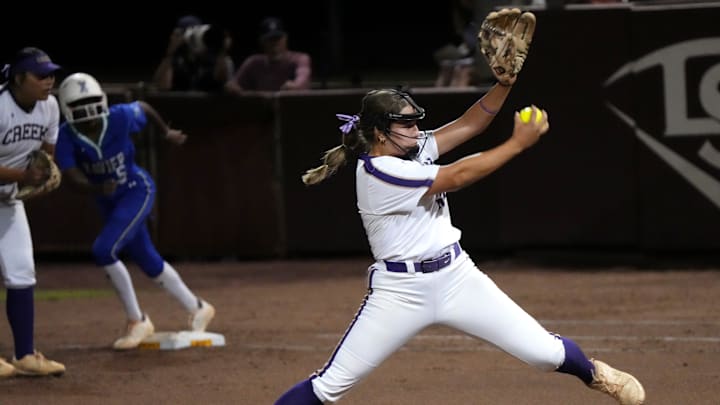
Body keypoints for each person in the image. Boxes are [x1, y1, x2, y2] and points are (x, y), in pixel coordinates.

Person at [274, 67, 645, 405]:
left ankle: (597, 375)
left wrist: (503, 85)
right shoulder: (378, 172)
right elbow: (457, 176)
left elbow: (470, 124)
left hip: (457, 278)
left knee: (544, 354)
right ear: (378, 133)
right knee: (330, 385)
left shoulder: (409, 150)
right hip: (399, 293)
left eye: (415, 123)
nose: (416, 131)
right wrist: (517, 144)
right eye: (406, 125)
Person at [55, 72, 216, 350]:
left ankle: (136, 319)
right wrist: (97, 189)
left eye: (92, 102)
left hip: (134, 188)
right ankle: (198, 306)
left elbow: (142, 107)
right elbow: (71, 177)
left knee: (104, 250)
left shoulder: (118, 117)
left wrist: (165, 131)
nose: (88, 113)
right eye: (81, 105)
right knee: (145, 257)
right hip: (106, 199)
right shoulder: (66, 136)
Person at [0, 47, 67, 377]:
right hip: (8, 188)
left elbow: (45, 153)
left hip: (7, 200)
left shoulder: (50, 106)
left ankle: (25, 355)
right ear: (18, 78)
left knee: (22, 272)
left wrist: (42, 172)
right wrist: (24, 177)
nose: (49, 80)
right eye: (40, 75)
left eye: (52, 74)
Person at [225, 16, 312, 94]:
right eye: (270, 39)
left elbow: (302, 81)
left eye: (278, 38)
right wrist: (233, 88)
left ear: (285, 38)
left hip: (291, 109)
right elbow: (234, 85)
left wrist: (295, 86)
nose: (275, 43)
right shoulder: (254, 62)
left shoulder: (300, 59)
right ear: (261, 41)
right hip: (262, 110)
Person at [153, 15, 235, 92]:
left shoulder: (217, 59)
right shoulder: (177, 62)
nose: (194, 38)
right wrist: (170, 52)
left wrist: (222, 50)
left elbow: (222, 80)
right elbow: (162, 86)